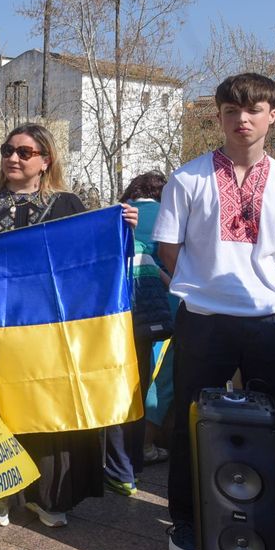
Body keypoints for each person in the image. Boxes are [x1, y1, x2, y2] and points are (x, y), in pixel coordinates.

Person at [153, 73, 275, 550]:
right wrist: (208, 285)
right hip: (204, 316)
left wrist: (251, 285)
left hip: (273, 317)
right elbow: (167, 246)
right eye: (230, 110)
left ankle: (274, 524)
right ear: (219, 116)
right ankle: (185, 518)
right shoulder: (188, 177)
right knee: (190, 418)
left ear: (273, 115)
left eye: (253, 109)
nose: (241, 119)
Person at [0, 123, 134, 528]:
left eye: (25, 152)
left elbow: (86, 260)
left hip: (49, 336)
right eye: (9, 150)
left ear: (46, 161)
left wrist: (119, 227)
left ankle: (49, 496)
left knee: (49, 412)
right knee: (0, 411)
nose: (13, 157)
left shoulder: (67, 205)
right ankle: (0, 493)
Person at [102, 170, 174, 496]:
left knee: (118, 384)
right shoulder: (168, 214)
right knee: (152, 381)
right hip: (159, 310)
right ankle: (139, 454)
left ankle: (121, 463)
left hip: (115, 312)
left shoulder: (115, 211)